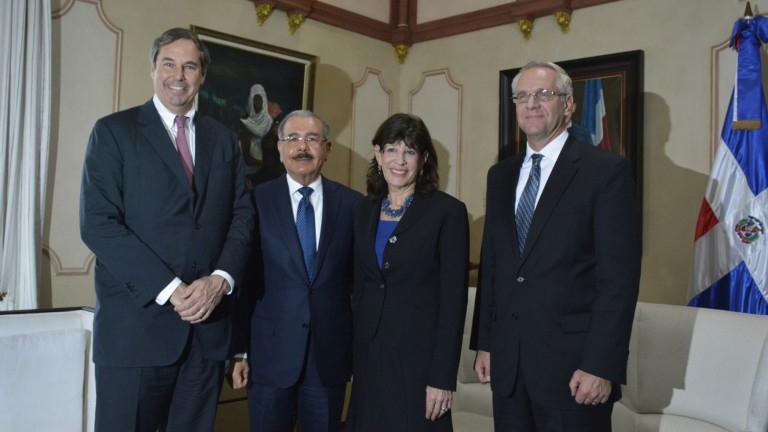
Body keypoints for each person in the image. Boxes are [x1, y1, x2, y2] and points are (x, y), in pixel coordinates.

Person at [79, 28, 255, 432]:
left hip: (206, 333)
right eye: (169, 64)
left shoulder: (225, 140)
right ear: (153, 70)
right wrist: (172, 290)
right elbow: (99, 224)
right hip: (136, 333)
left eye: (189, 66)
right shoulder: (113, 132)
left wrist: (220, 280)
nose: (179, 75)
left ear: (202, 76)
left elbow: (242, 217)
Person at [472, 61, 641, 431]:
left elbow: (618, 281)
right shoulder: (500, 176)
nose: (531, 103)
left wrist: (600, 365)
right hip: (509, 366)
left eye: (544, 94)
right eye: (523, 96)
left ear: (568, 105)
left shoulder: (606, 172)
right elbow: (495, 266)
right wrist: (485, 342)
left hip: (575, 371)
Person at [229, 110, 362, 432]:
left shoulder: (353, 205)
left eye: (312, 139)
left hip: (328, 358)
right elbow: (243, 282)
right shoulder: (255, 201)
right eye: (293, 138)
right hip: (268, 356)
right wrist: (237, 352)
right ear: (279, 148)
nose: (302, 147)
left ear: (327, 149)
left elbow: (361, 284)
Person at [346, 113, 469, 431]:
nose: (399, 161)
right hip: (370, 359)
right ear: (378, 153)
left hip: (419, 363)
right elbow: (359, 289)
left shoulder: (448, 213)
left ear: (424, 158)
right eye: (392, 149)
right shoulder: (363, 210)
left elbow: (453, 303)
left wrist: (443, 379)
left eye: (410, 151)